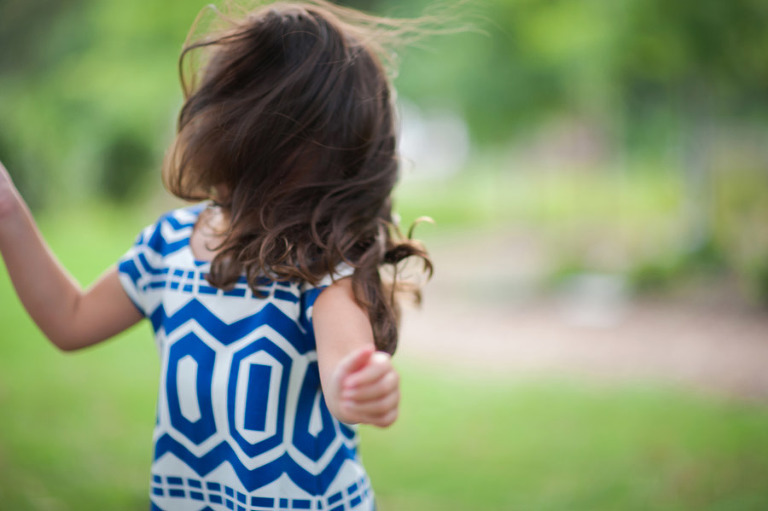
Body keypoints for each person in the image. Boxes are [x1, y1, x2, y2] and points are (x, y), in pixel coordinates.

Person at [0, 1, 432, 510]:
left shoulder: (324, 267)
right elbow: (69, 321)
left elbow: (343, 374)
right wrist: (8, 211)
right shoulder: (169, 245)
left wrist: (360, 385)